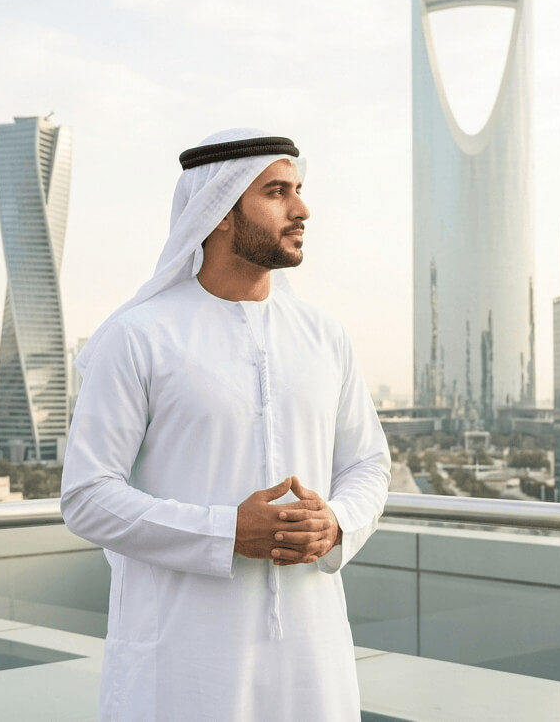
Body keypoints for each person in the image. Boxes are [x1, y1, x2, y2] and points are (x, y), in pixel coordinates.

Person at [61, 127, 391, 721]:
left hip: (313, 660)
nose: (302, 209)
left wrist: (337, 522)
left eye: (299, 189)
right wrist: (225, 532)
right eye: (277, 192)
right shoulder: (138, 337)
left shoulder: (324, 336)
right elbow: (87, 496)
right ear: (218, 211)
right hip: (182, 662)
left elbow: (368, 462)